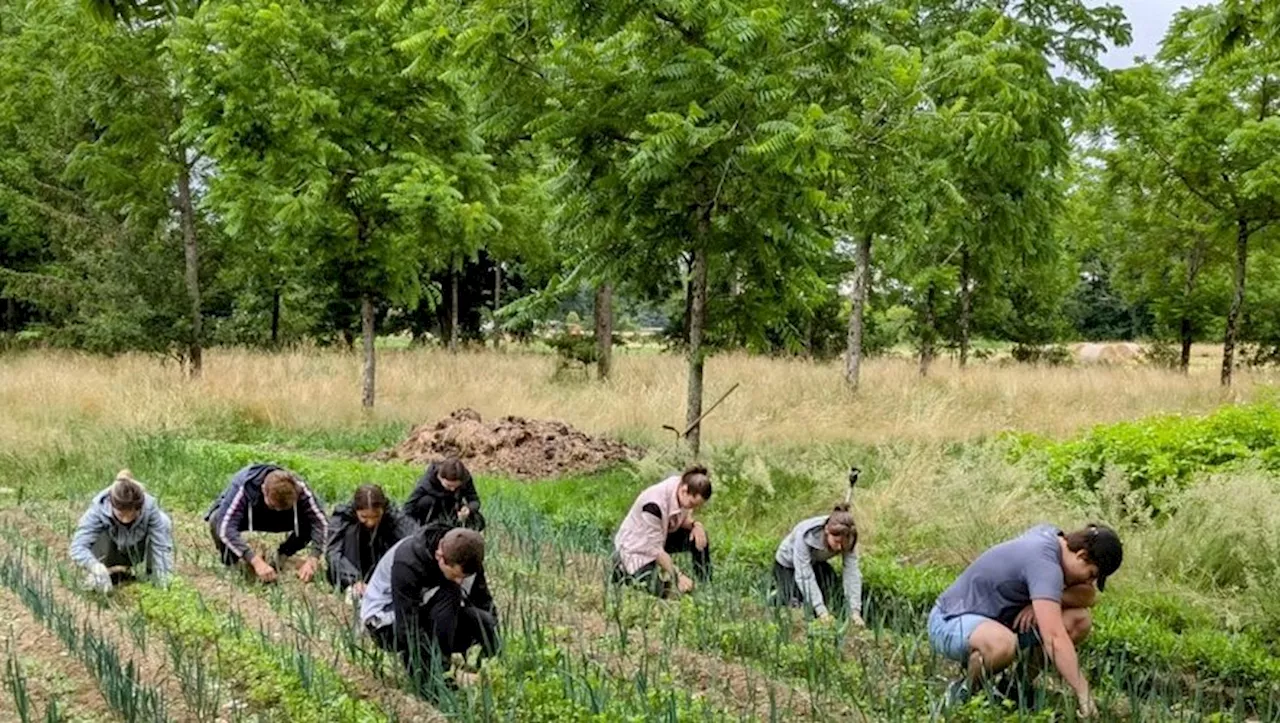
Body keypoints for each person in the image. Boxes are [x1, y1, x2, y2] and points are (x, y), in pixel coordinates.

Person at [927, 523, 1123, 717]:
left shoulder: (1054, 537)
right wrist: (1083, 692)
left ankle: (1013, 689)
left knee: (1078, 620)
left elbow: (1089, 596)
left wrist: (1042, 602)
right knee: (1002, 644)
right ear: (1081, 556)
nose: (1089, 583)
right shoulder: (1045, 565)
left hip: (998, 623)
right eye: (1091, 575)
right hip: (949, 621)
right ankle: (964, 692)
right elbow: (1053, 637)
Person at [360, 522, 499, 688]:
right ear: (440, 556)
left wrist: (494, 643)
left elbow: (483, 601)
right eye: (456, 575)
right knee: (451, 592)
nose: (461, 581)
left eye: (464, 576)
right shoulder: (408, 562)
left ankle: (489, 670)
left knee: (483, 620)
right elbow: (408, 629)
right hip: (387, 623)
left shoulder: (466, 554)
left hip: (424, 610)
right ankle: (432, 678)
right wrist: (448, 671)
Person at [204, 464, 328, 584]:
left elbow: (321, 523)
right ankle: (233, 565)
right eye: (274, 505)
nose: (278, 510)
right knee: (216, 520)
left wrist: (314, 558)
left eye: (283, 507)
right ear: (263, 489)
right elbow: (225, 527)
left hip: (285, 520)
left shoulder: (299, 488)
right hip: (248, 516)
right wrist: (255, 561)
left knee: (310, 521)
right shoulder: (245, 485)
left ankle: (282, 557)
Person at [611, 464, 712, 597]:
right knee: (660, 590)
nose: (694, 508)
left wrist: (696, 525)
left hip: (662, 535)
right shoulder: (653, 506)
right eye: (693, 504)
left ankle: (706, 586)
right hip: (637, 547)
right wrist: (678, 576)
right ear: (684, 490)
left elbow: (683, 518)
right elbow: (656, 550)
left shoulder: (682, 486)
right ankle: (622, 570)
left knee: (699, 538)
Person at [69, 470, 174, 593]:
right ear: (112, 505)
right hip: (106, 555)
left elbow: (161, 547)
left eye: (132, 514)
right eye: (121, 514)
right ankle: (103, 575)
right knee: (97, 584)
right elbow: (78, 547)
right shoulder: (98, 509)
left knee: (164, 520)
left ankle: (152, 576)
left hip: (135, 552)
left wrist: (164, 582)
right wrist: (94, 566)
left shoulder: (149, 507)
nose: (126, 519)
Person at [772, 503, 864, 626]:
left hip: (816, 562)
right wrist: (821, 611)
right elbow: (805, 575)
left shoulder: (849, 536)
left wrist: (855, 612)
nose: (840, 547)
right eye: (837, 542)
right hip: (788, 565)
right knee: (797, 602)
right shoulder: (806, 533)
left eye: (844, 544)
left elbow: (852, 573)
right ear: (827, 531)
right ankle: (776, 595)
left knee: (830, 588)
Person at [326, 484, 417, 598]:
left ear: (383, 509)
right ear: (356, 510)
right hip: (351, 570)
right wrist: (354, 579)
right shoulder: (343, 517)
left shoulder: (393, 516)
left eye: (376, 516)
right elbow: (333, 553)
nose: (371, 522)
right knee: (351, 531)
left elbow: (413, 540)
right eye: (364, 517)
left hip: (382, 568)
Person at [404, 458, 485, 530]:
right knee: (426, 501)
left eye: (456, 487)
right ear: (440, 477)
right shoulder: (427, 482)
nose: (452, 489)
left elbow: (474, 500)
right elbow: (408, 507)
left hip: (453, 509)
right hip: (432, 510)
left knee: (478, 520)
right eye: (449, 486)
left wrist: (468, 509)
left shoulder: (465, 479)